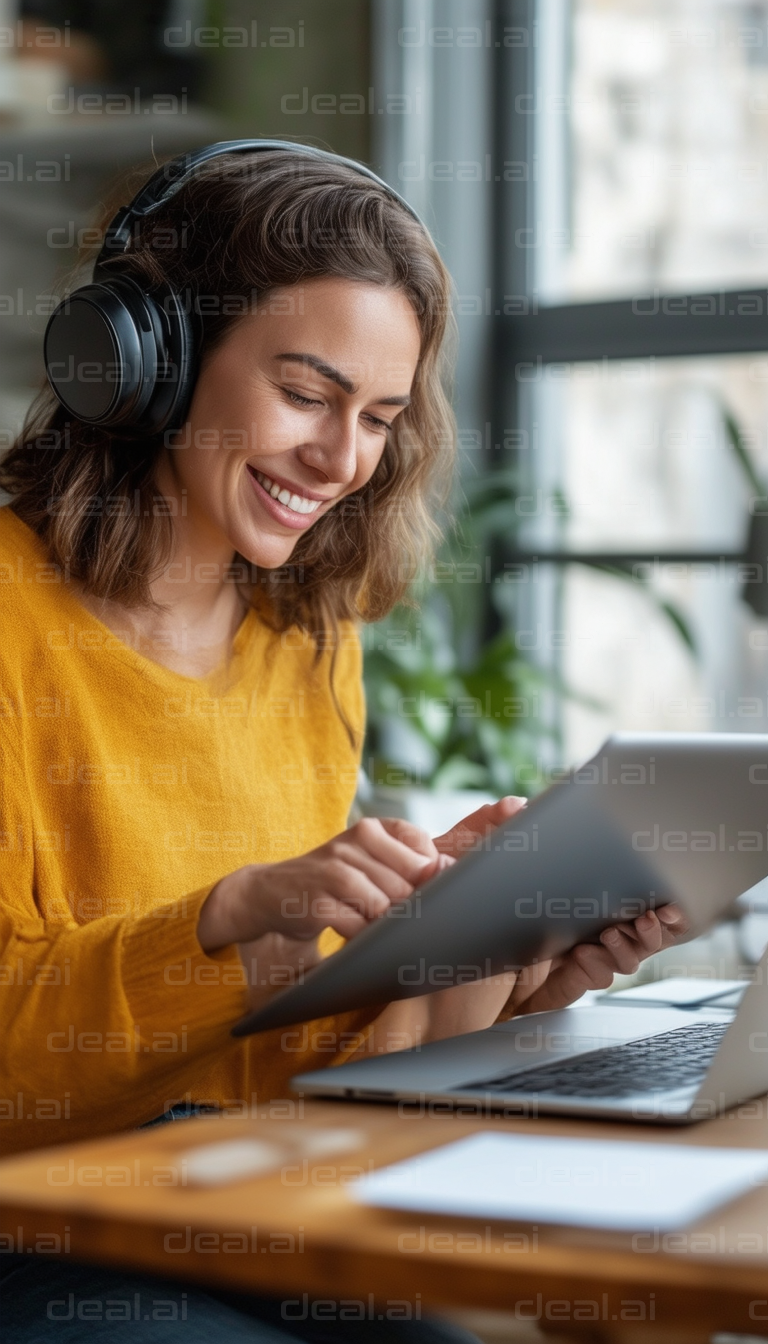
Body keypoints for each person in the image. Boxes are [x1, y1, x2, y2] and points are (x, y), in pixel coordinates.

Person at [0, 143, 688, 1341]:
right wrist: (231, 913)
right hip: (44, 1223)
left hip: (251, 1192)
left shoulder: (305, 638)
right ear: (147, 360)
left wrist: (500, 952)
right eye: (307, 394)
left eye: (377, 418)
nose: (341, 461)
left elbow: (291, 1057)